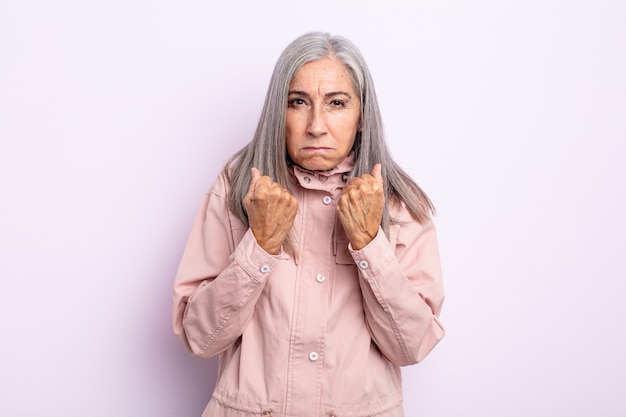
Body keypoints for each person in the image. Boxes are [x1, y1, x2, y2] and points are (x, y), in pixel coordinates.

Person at [172, 31, 445, 417]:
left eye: (336, 103)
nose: (316, 125)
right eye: (298, 102)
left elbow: (412, 346)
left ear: (362, 115)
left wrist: (370, 244)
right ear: (277, 113)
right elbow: (200, 338)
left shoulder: (398, 203)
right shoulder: (237, 191)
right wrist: (260, 246)